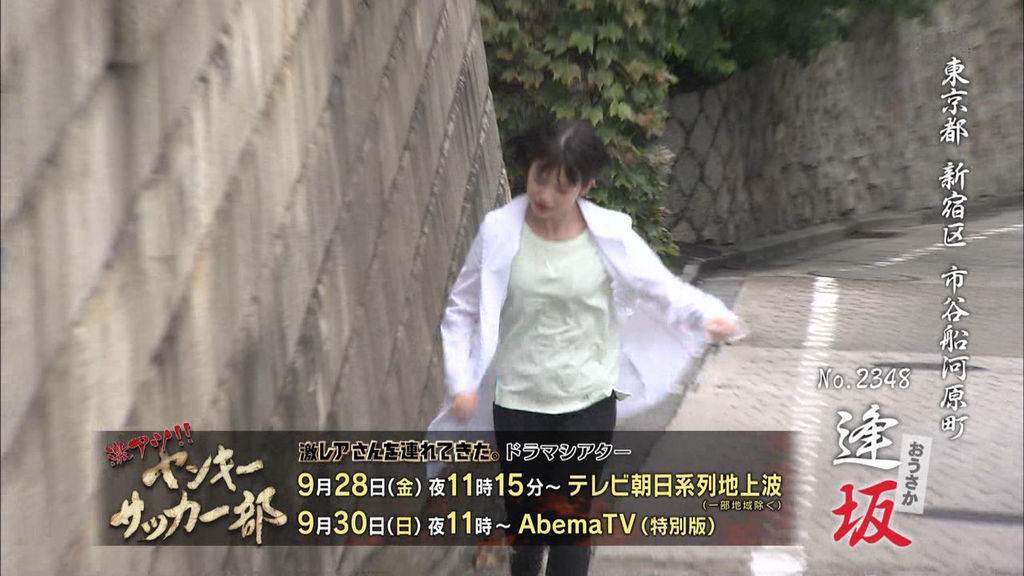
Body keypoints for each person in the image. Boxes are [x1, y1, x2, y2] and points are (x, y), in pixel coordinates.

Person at [430, 119, 742, 576]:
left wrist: (707, 314)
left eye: (563, 185)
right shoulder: (499, 231)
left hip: (587, 405)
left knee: (569, 524)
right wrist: (461, 380)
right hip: (517, 406)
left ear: (585, 186)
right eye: (540, 176)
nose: (545, 194)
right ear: (529, 167)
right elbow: (461, 309)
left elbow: (661, 288)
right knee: (527, 530)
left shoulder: (609, 236)